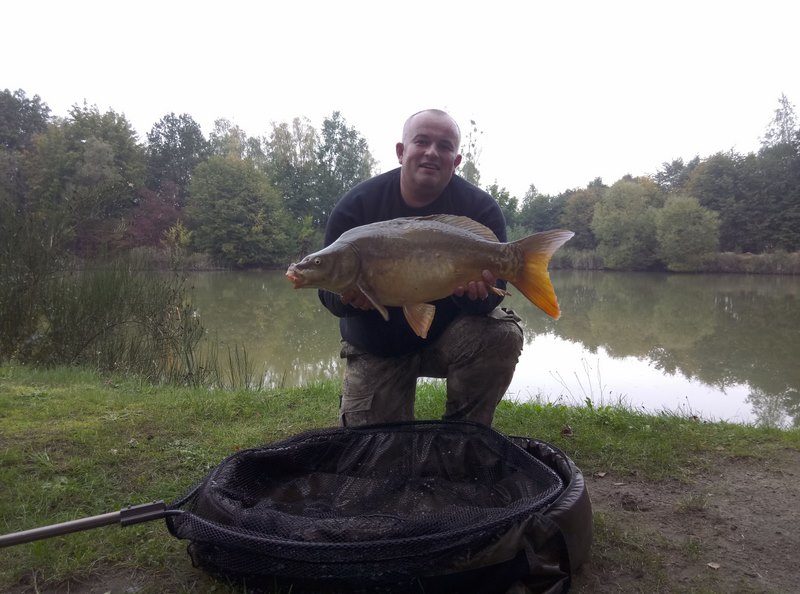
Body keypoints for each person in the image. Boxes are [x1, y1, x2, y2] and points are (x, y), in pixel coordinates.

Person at [318, 109, 523, 427]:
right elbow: (326, 291)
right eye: (422, 141)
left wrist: (474, 296)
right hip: (377, 345)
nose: (432, 152)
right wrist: (349, 299)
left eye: (444, 146)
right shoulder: (357, 206)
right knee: (377, 450)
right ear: (401, 151)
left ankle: (463, 436)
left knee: (501, 334)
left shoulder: (479, 208)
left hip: (449, 337)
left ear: (456, 161)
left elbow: (492, 299)